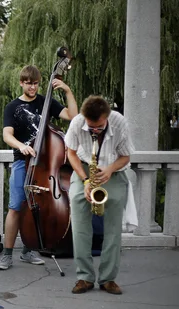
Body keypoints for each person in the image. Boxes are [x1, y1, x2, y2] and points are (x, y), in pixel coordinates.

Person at [0, 65, 78, 270]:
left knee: (38, 207)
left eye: (35, 83)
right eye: (28, 83)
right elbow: (7, 135)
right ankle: (7, 254)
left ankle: (29, 250)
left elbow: (73, 117)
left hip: (45, 165)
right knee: (15, 207)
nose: (32, 87)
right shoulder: (12, 107)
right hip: (22, 162)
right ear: (21, 83)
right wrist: (22, 146)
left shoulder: (46, 102)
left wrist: (67, 90)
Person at [64, 95, 135, 295]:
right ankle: (84, 277)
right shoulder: (78, 122)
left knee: (113, 229)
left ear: (107, 117)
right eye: (91, 127)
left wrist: (111, 169)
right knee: (79, 227)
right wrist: (85, 179)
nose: (94, 131)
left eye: (99, 127)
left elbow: (126, 156)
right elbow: (70, 153)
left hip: (113, 171)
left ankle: (108, 279)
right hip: (85, 169)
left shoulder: (119, 122)